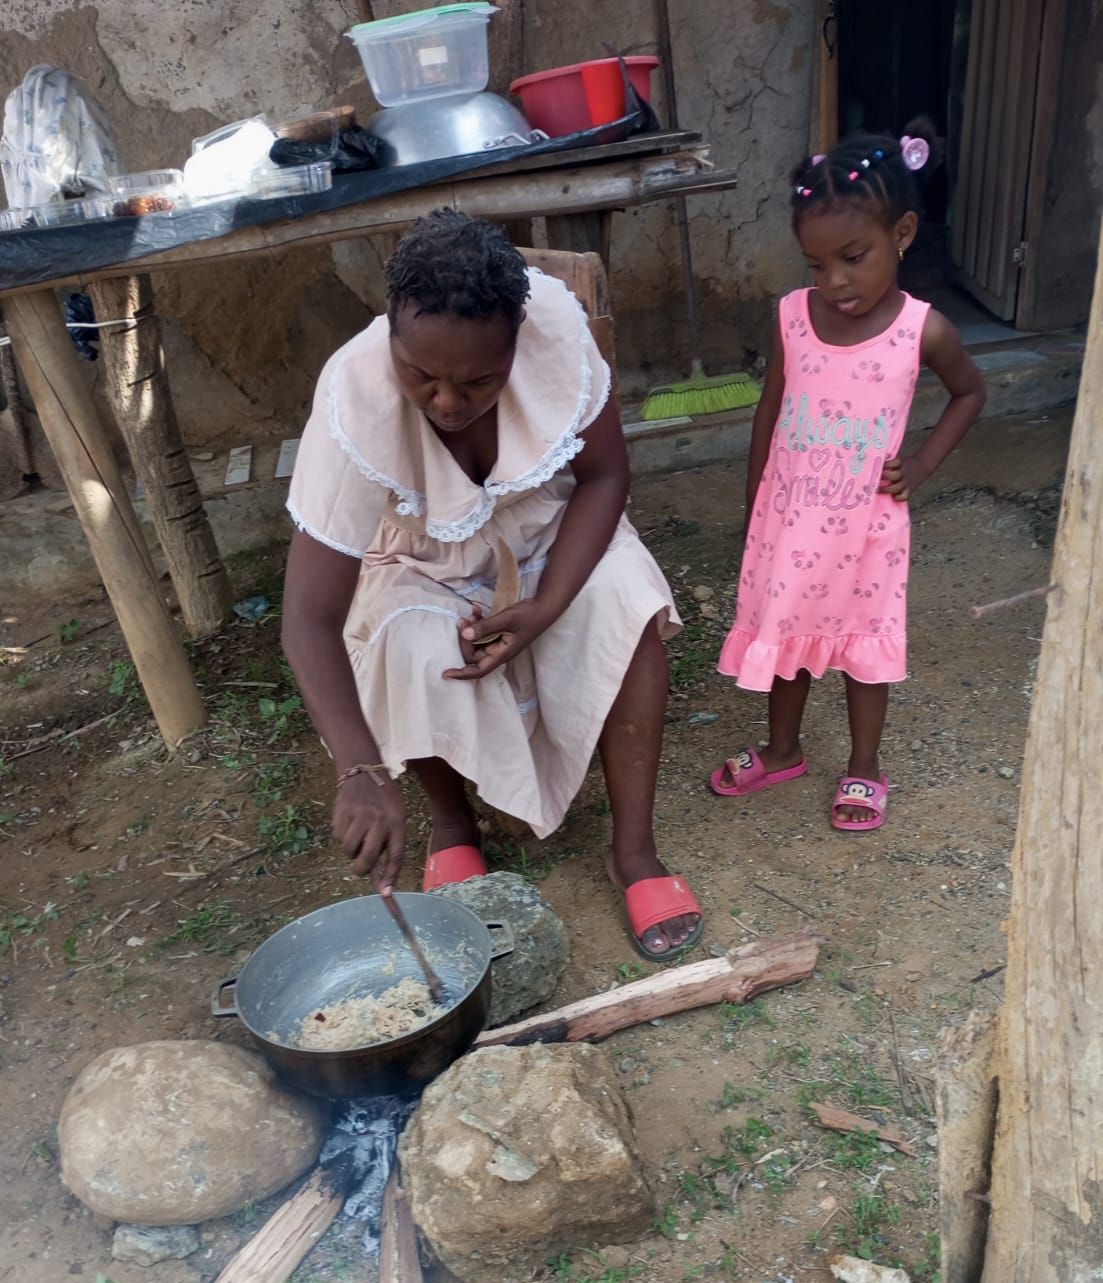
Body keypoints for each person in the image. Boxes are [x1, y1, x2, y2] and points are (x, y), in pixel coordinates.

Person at [281, 210, 702, 959]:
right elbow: (308, 618)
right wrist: (360, 767)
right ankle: (453, 827)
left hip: (548, 531)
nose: (447, 401)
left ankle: (634, 851)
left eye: (479, 379)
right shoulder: (354, 397)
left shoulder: (556, 336)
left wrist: (547, 605)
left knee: (625, 600)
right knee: (409, 640)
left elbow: (605, 478)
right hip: (422, 561)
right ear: (391, 330)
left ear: (517, 342)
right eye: (422, 375)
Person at [710, 124, 986, 830]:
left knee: (865, 647)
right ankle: (783, 750)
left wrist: (920, 464)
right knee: (791, 637)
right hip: (791, 522)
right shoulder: (792, 318)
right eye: (816, 264)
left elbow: (969, 392)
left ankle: (864, 766)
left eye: (853, 257)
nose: (834, 281)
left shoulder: (923, 330)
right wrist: (756, 504)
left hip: (868, 532)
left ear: (903, 233)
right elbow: (771, 410)